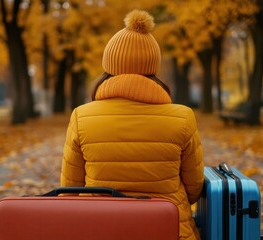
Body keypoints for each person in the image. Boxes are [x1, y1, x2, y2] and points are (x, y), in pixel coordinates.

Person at [60, 9, 204, 240]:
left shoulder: (81, 116)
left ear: (109, 66)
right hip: (170, 231)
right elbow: (195, 189)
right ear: (153, 67)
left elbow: (69, 193)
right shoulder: (183, 117)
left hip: (100, 231)